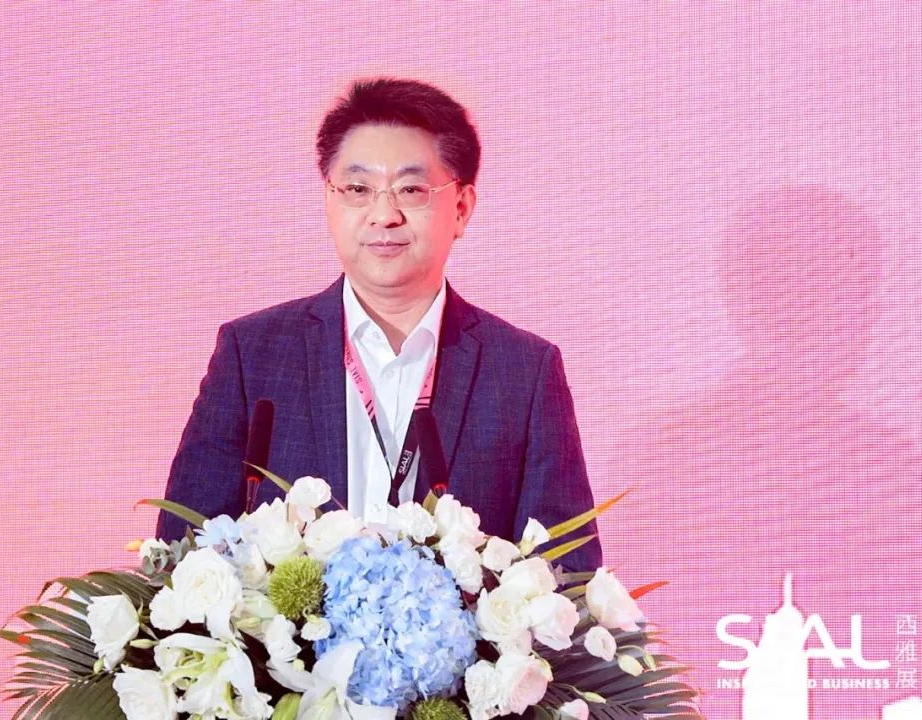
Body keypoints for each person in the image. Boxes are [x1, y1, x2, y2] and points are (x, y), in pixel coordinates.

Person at [157, 77, 601, 572]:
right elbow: (182, 558)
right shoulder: (253, 355)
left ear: (461, 208)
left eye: (411, 189)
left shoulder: (523, 371)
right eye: (357, 189)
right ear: (329, 200)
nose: (384, 214)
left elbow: (567, 574)